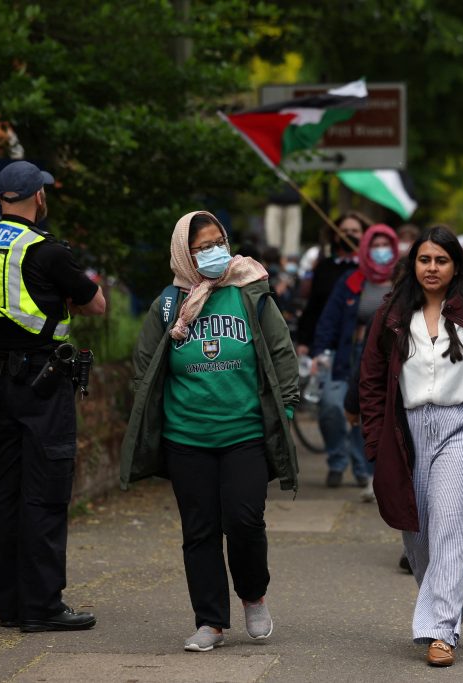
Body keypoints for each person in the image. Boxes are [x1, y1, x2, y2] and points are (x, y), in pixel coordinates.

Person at [119, 211, 299, 653]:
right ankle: (210, 622)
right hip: (187, 438)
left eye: (219, 241)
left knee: (244, 521)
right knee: (199, 530)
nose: (215, 251)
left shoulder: (249, 291)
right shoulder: (169, 304)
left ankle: (253, 595)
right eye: (202, 247)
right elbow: (145, 367)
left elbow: (280, 352)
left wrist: (286, 410)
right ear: (184, 251)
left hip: (244, 433)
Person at [358, 225, 463, 667]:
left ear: (455, 266)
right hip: (404, 432)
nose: (432, 268)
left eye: (441, 260)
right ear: (414, 264)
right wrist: (374, 441)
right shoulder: (391, 314)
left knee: (451, 525)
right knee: (418, 534)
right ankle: (450, 602)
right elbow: (370, 381)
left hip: (460, 429)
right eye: (425, 260)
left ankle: (440, 631)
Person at [0, 160, 106, 632]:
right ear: (37, 197)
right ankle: (44, 606)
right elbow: (96, 304)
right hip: (43, 385)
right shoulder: (47, 252)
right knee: (45, 495)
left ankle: (11, 604)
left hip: (0, 383)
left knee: (7, 494)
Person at [310, 223, 398, 490]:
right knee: (331, 407)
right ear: (366, 249)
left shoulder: (402, 280)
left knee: (368, 411)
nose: (381, 251)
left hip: (382, 357)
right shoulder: (351, 280)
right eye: (375, 245)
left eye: (386, 245)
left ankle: (363, 469)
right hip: (346, 355)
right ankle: (337, 459)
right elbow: (328, 320)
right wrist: (320, 353)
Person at [295, 211, 370, 354]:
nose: (349, 235)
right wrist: (304, 341)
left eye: (355, 231)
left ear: (364, 235)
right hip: (325, 345)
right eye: (344, 231)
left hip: (359, 346)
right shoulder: (324, 267)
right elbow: (313, 306)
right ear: (336, 236)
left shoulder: (369, 269)